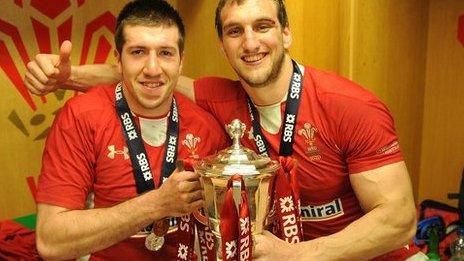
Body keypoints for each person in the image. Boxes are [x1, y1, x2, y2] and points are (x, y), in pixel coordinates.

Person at [24, 0, 418, 260]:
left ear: (285, 33)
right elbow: (145, 73)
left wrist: (296, 256)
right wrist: (66, 76)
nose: (250, 43)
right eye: (234, 31)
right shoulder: (218, 101)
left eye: (262, 26)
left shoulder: (348, 105)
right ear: (222, 45)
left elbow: (400, 218)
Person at [31, 0, 228, 260]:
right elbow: (50, 241)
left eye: (166, 53)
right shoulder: (81, 117)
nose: (153, 69)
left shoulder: (207, 126)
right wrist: (156, 204)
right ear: (118, 61)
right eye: (138, 52)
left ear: (181, 63)